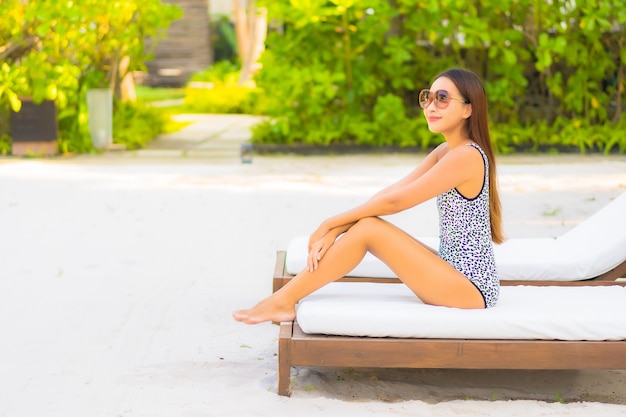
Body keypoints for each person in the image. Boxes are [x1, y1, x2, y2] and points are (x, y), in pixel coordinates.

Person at [233, 68, 504, 325]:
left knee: (370, 229)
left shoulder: (466, 156)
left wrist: (330, 223)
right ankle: (282, 300)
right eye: (427, 97)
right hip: (454, 273)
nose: (431, 107)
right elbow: (391, 192)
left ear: (468, 108)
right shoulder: (446, 151)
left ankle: (283, 301)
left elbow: (395, 204)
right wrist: (339, 228)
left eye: (442, 99)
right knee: (367, 225)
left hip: (471, 289)